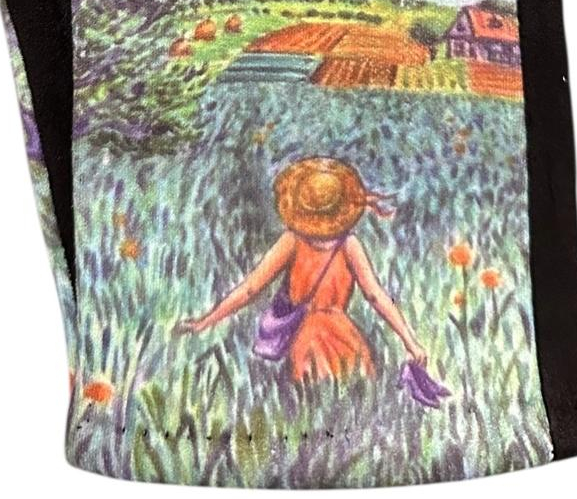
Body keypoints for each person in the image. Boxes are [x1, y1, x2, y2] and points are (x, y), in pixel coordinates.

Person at [176, 157, 427, 384]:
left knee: (310, 401)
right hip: (346, 338)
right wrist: (410, 342)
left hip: (306, 342)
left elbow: (251, 288)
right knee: (356, 394)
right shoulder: (349, 245)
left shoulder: (292, 241)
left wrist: (206, 321)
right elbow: (375, 295)